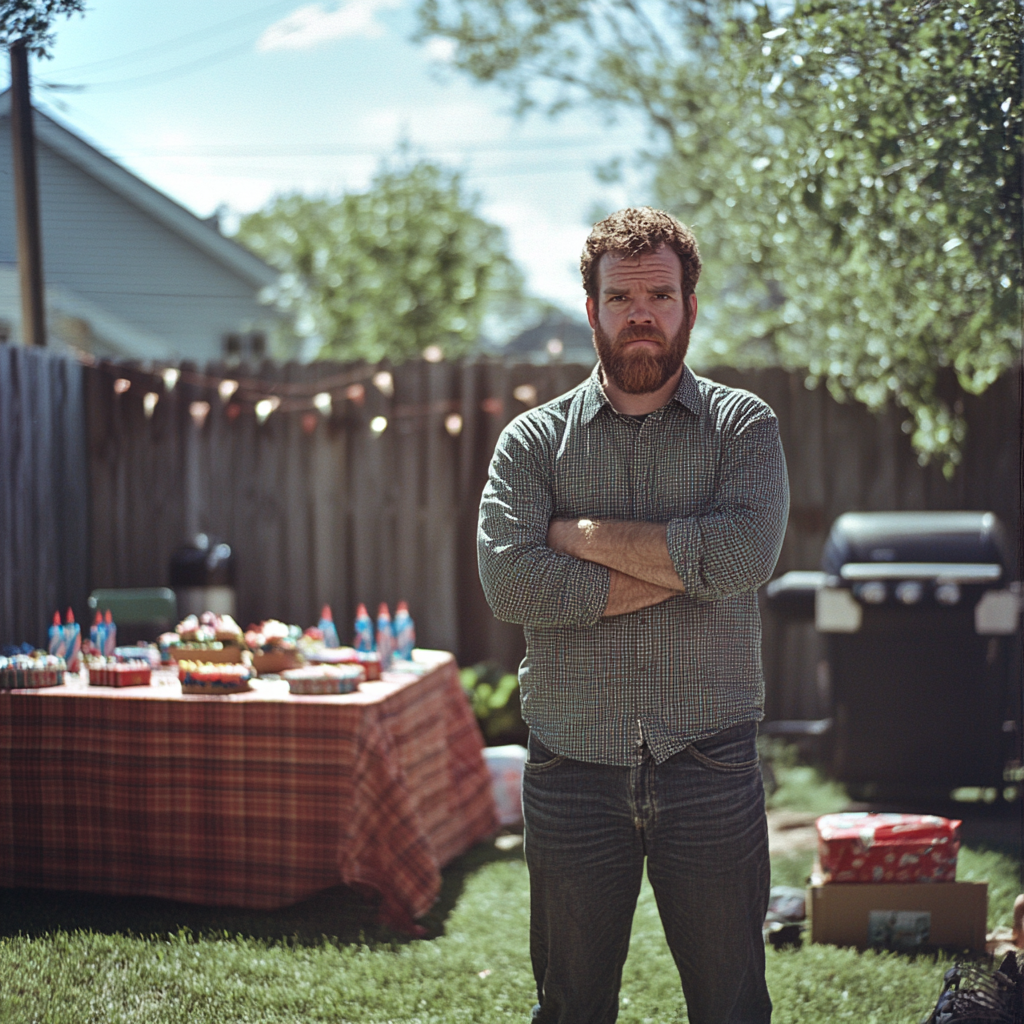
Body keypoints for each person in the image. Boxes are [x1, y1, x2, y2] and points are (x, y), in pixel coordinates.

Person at [477, 207, 790, 1024]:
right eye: (622, 297)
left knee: (731, 1005)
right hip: (571, 765)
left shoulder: (744, 428)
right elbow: (513, 586)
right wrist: (690, 568)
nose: (641, 312)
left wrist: (576, 538)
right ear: (593, 311)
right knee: (572, 1006)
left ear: (690, 304)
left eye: (660, 293)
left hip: (710, 762)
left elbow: (744, 561)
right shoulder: (532, 444)